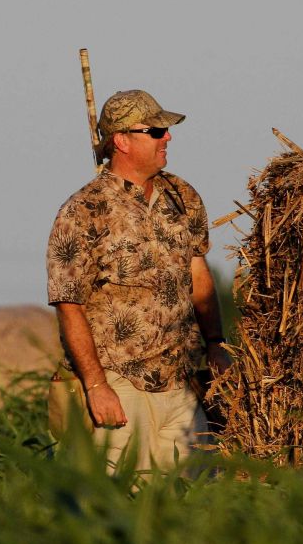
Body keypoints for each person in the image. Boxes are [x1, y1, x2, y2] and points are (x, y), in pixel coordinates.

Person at [46, 89, 231, 474]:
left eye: (165, 129)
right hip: (121, 385)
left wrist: (215, 343)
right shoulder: (83, 210)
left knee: (196, 503)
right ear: (121, 141)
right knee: (118, 508)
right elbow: (69, 305)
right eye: (156, 130)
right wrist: (97, 387)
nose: (168, 137)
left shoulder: (183, 196)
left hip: (182, 384)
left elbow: (198, 275)